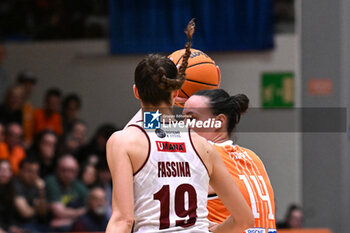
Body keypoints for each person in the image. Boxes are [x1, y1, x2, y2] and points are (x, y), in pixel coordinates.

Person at [106, 20, 254, 233]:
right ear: (176, 93)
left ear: (136, 92)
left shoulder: (124, 141)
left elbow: (123, 220)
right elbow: (244, 220)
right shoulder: (202, 145)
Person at [182, 89, 276, 232]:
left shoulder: (201, 155)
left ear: (219, 122)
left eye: (192, 118)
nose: (183, 125)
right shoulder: (253, 157)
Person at [45, 154, 88, 232]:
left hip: (70, 223)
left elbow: (89, 209)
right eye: (64, 170)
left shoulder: (79, 186)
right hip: (48, 225)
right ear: (57, 170)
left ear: (77, 172)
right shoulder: (52, 182)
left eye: (71, 170)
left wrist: (70, 220)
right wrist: (78, 212)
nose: (67, 174)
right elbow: (59, 212)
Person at [13, 158, 48, 232]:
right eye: (29, 171)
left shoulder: (36, 185)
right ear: (20, 171)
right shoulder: (14, 185)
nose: (33, 175)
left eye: (36, 172)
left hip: (36, 223)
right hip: (19, 225)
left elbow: (43, 212)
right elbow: (25, 213)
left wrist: (41, 191)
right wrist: (37, 209)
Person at [16, 70, 37, 147]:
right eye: (25, 83)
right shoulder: (11, 106)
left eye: (31, 84)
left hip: (26, 147)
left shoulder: (30, 109)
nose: (28, 86)